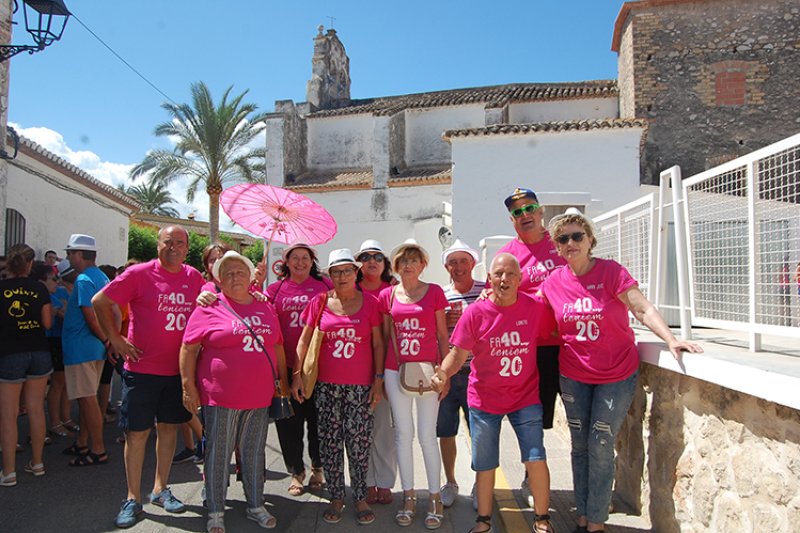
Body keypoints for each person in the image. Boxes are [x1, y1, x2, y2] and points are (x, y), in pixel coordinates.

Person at [540, 209, 703, 533]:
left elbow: (641, 307)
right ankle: (583, 513)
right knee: (580, 444)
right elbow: (528, 310)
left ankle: (596, 520)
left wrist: (670, 339)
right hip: (573, 375)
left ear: (590, 240)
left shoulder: (611, 272)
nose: (570, 242)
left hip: (615, 375)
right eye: (563, 238)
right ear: (557, 247)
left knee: (601, 441)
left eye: (577, 236)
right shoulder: (553, 283)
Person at [432, 253, 555, 533]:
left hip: (525, 397)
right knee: (485, 462)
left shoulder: (534, 308)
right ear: (489, 278)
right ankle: (483, 522)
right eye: (498, 274)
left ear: (520, 279)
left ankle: (542, 519)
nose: (504, 279)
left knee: (535, 456)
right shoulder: (476, 312)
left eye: (511, 274)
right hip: (485, 398)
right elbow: (458, 353)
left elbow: (558, 331)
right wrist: (442, 374)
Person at [93, 226, 205, 529]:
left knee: (168, 431)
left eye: (180, 243)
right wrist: (114, 338)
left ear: (186, 248)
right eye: (168, 242)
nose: (174, 248)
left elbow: (214, 304)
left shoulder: (194, 278)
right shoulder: (139, 273)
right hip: (141, 372)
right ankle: (132, 497)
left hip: (177, 373)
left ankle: (160, 489)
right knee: (137, 434)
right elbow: (100, 301)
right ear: (159, 245)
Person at [181, 251, 288, 532]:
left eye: (240, 271)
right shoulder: (209, 306)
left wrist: (284, 381)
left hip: (259, 396)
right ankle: (215, 509)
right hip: (220, 397)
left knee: (253, 453)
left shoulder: (265, 306)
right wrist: (188, 385)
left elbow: (277, 346)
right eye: (227, 273)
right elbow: (189, 348)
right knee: (218, 453)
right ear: (219, 279)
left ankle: (256, 504)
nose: (234, 276)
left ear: (251, 276)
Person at [292, 249, 385, 525]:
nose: (342, 276)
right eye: (336, 271)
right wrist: (297, 375)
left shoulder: (370, 303)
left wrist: (378, 380)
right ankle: (335, 495)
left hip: (360, 388)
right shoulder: (319, 302)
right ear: (329, 275)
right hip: (326, 388)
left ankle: (359, 496)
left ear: (356, 273)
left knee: (358, 445)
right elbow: (303, 341)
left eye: (347, 270)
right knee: (330, 444)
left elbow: (379, 343)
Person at [498, 188, 566, 505]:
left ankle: (589, 485)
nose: (524, 215)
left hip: (572, 344)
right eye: (517, 213)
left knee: (583, 420)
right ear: (512, 220)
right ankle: (531, 476)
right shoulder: (510, 255)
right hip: (532, 349)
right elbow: (502, 296)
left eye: (530, 208)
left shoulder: (562, 244)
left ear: (541, 212)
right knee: (533, 418)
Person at [378, 239, 449, 529]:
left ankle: (434, 497)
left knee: (427, 437)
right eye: (403, 260)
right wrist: (380, 377)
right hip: (396, 371)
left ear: (423, 265)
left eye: (414, 259)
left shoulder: (434, 293)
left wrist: (444, 373)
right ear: (396, 266)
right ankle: (408, 497)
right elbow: (384, 338)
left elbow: (444, 336)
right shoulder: (388, 296)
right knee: (402, 436)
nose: (408, 264)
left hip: (429, 373)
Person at [264, 242, 332, 496]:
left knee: (318, 422)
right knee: (288, 423)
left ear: (312, 261)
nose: (301, 262)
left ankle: (318, 468)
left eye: (306, 258)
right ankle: (296, 472)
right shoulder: (275, 289)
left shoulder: (326, 286)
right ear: (287, 262)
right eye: (295, 258)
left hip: (319, 367)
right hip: (286, 366)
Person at [0, 244, 53, 486]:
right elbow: (47, 323)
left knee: (9, 414)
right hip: (39, 351)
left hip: (10, 352)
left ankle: (9, 471)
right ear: (30, 264)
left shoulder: (1, 288)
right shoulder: (39, 289)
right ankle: (38, 463)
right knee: (35, 409)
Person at [174, 243, 231, 465]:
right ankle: (213, 471)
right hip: (210, 368)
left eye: (222, 257)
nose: (217, 263)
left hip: (237, 371)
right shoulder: (207, 291)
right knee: (214, 423)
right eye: (212, 259)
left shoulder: (245, 287)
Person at [437, 238, 484, 508]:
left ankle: (480, 483)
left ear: (472, 263)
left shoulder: (486, 291)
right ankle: (451, 481)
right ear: (447, 267)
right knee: (446, 430)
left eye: (463, 261)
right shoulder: (442, 296)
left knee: (479, 430)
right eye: (452, 262)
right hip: (450, 375)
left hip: (479, 375)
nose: (458, 267)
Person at [61, 234, 111, 466]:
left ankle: (98, 448)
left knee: (87, 399)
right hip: (93, 348)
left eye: (70, 253)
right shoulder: (101, 276)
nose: (68, 257)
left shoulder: (82, 280)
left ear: (79, 254)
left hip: (81, 348)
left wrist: (106, 340)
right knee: (86, 398)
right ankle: (82, 441)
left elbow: (90, 316)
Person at [355, 239, 397, 505]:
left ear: (385, 264)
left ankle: (384, 482)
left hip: (388, 368)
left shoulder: (395, 290)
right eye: (366, 256)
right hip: (356, 368)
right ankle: (366, 481)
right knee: (360, 430)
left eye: (377, 257)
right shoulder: (349, 289)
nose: (371, 261)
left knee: (382, 427)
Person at [30, 263, 72, 439]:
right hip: (50, 341)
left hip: (59, 340)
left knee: (64, 383)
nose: (57, 282)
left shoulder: (56, 295)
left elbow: (65, 311)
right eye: (53, 279)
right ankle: (54, 422)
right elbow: (61, 315)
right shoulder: (44, 297)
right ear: (41, 281)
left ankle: (65, 418)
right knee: (57, 383)